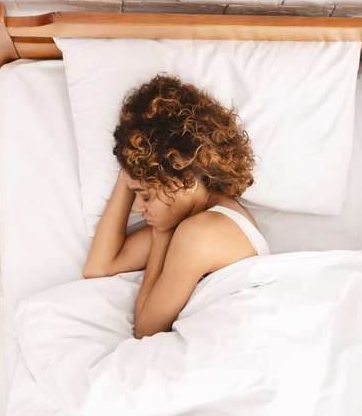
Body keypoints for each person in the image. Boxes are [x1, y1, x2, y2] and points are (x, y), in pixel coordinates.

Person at [81, 74, 270, 339]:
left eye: (145, 197)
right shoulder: (193, 217)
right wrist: (130, 166)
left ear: (186, 181)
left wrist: (160, 238)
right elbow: (98, 267)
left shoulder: (201, 232)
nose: (137, 208)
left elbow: (146, 330)